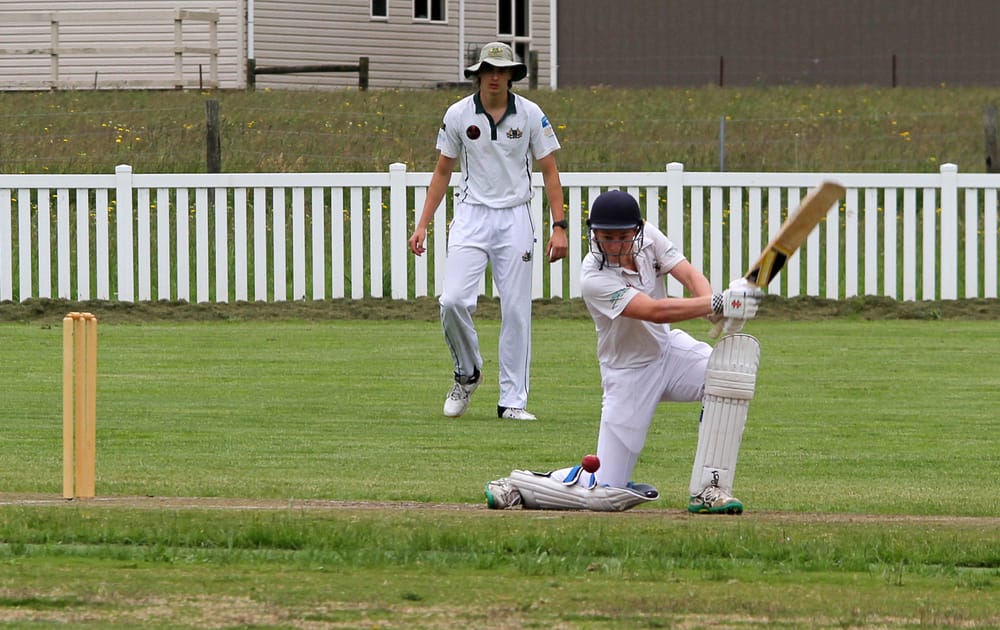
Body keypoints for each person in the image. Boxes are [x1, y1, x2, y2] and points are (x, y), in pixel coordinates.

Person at [485, 189, 764, 513]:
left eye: (622, 236)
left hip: (668, 352)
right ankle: (520, 484)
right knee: (607, 490)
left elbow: (688, 275)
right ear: (594, 234)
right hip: (628, 374)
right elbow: (654, 311)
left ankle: (709, 489)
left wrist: (716, 307)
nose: (614, 245)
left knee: (727, 376)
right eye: (606, 237)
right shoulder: (593, 277)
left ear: (636, 230)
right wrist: (719, 302)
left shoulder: (650, 239)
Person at [408, 42, 567, 422]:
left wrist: (559, 227)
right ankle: (467, 372)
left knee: (515, 310)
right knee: (452, 301)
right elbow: (443, 171)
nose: (495, 76)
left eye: (502, 70)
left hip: (515, 217)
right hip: (471, 215)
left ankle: (513, 401)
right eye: (488, 70)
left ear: (512, 74)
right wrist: (423, 223)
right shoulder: (458, 113)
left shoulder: (530, 114)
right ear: (478, 74)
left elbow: (549, 171)